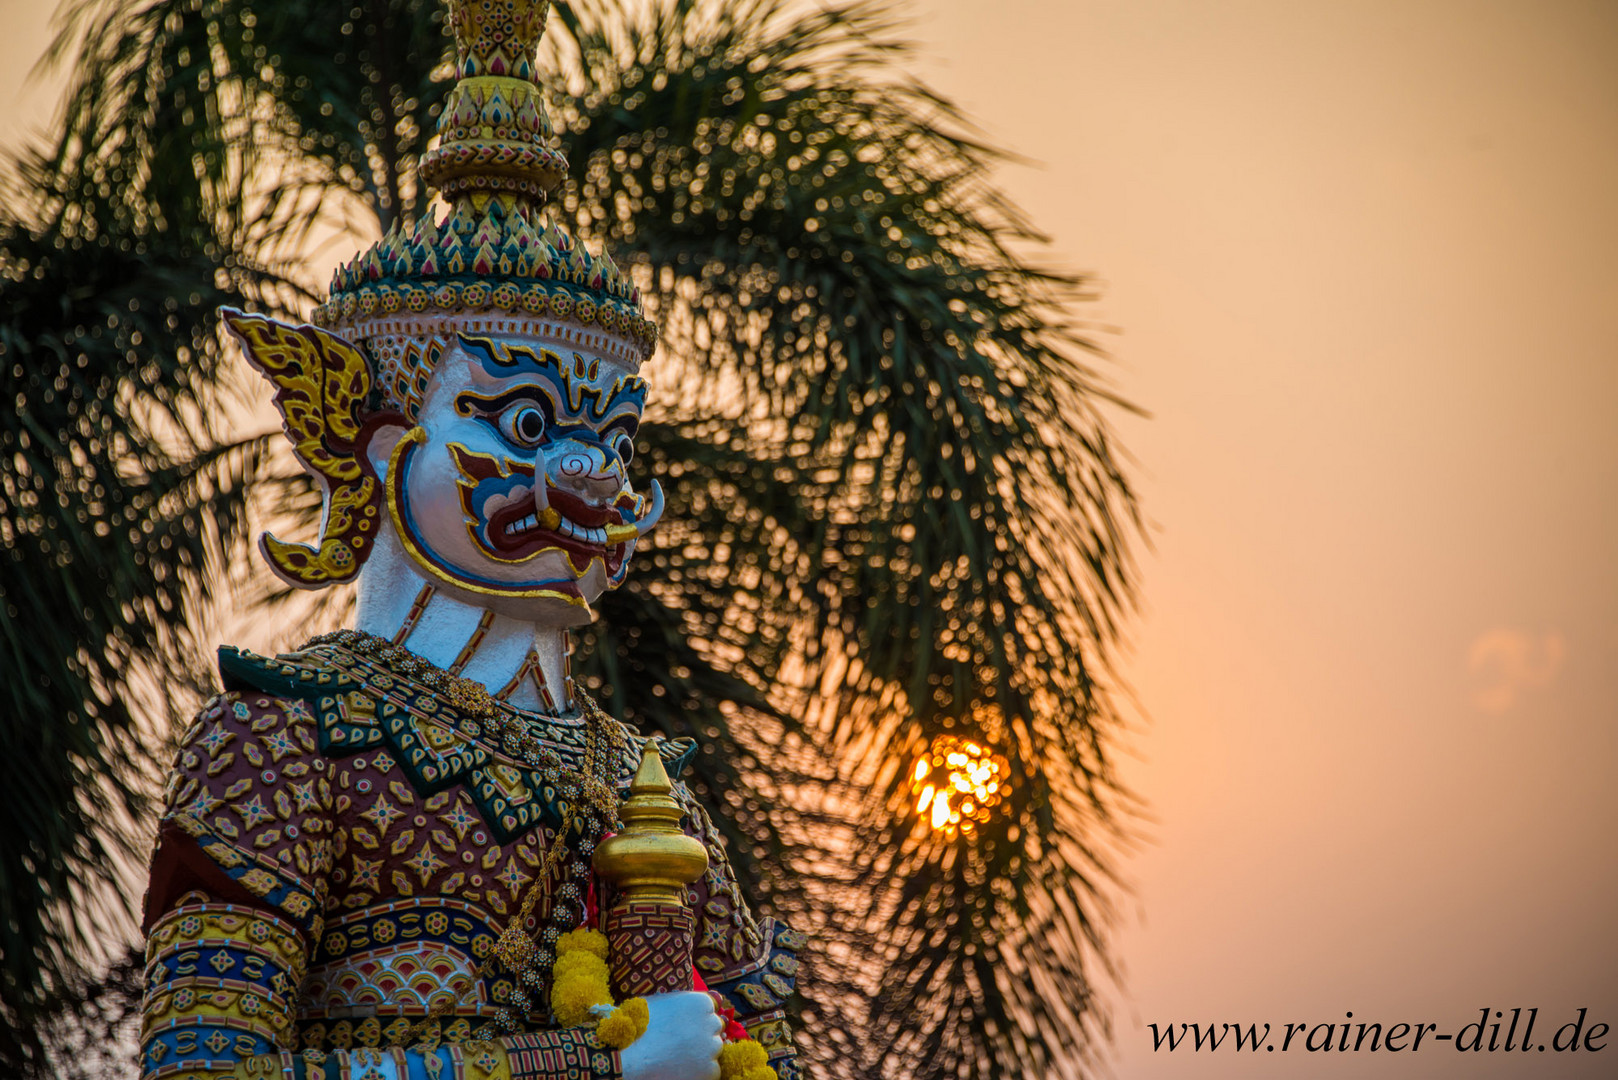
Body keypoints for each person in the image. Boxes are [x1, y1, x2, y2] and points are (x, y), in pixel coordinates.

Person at [136, 3, 800, 1078]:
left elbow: (756, 1055)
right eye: (528, 424)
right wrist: (586, 1070)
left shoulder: (648, 786)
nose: (587, 476)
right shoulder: (282, 743)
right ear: (383, 440)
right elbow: (205, 1071)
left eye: (611, 437)